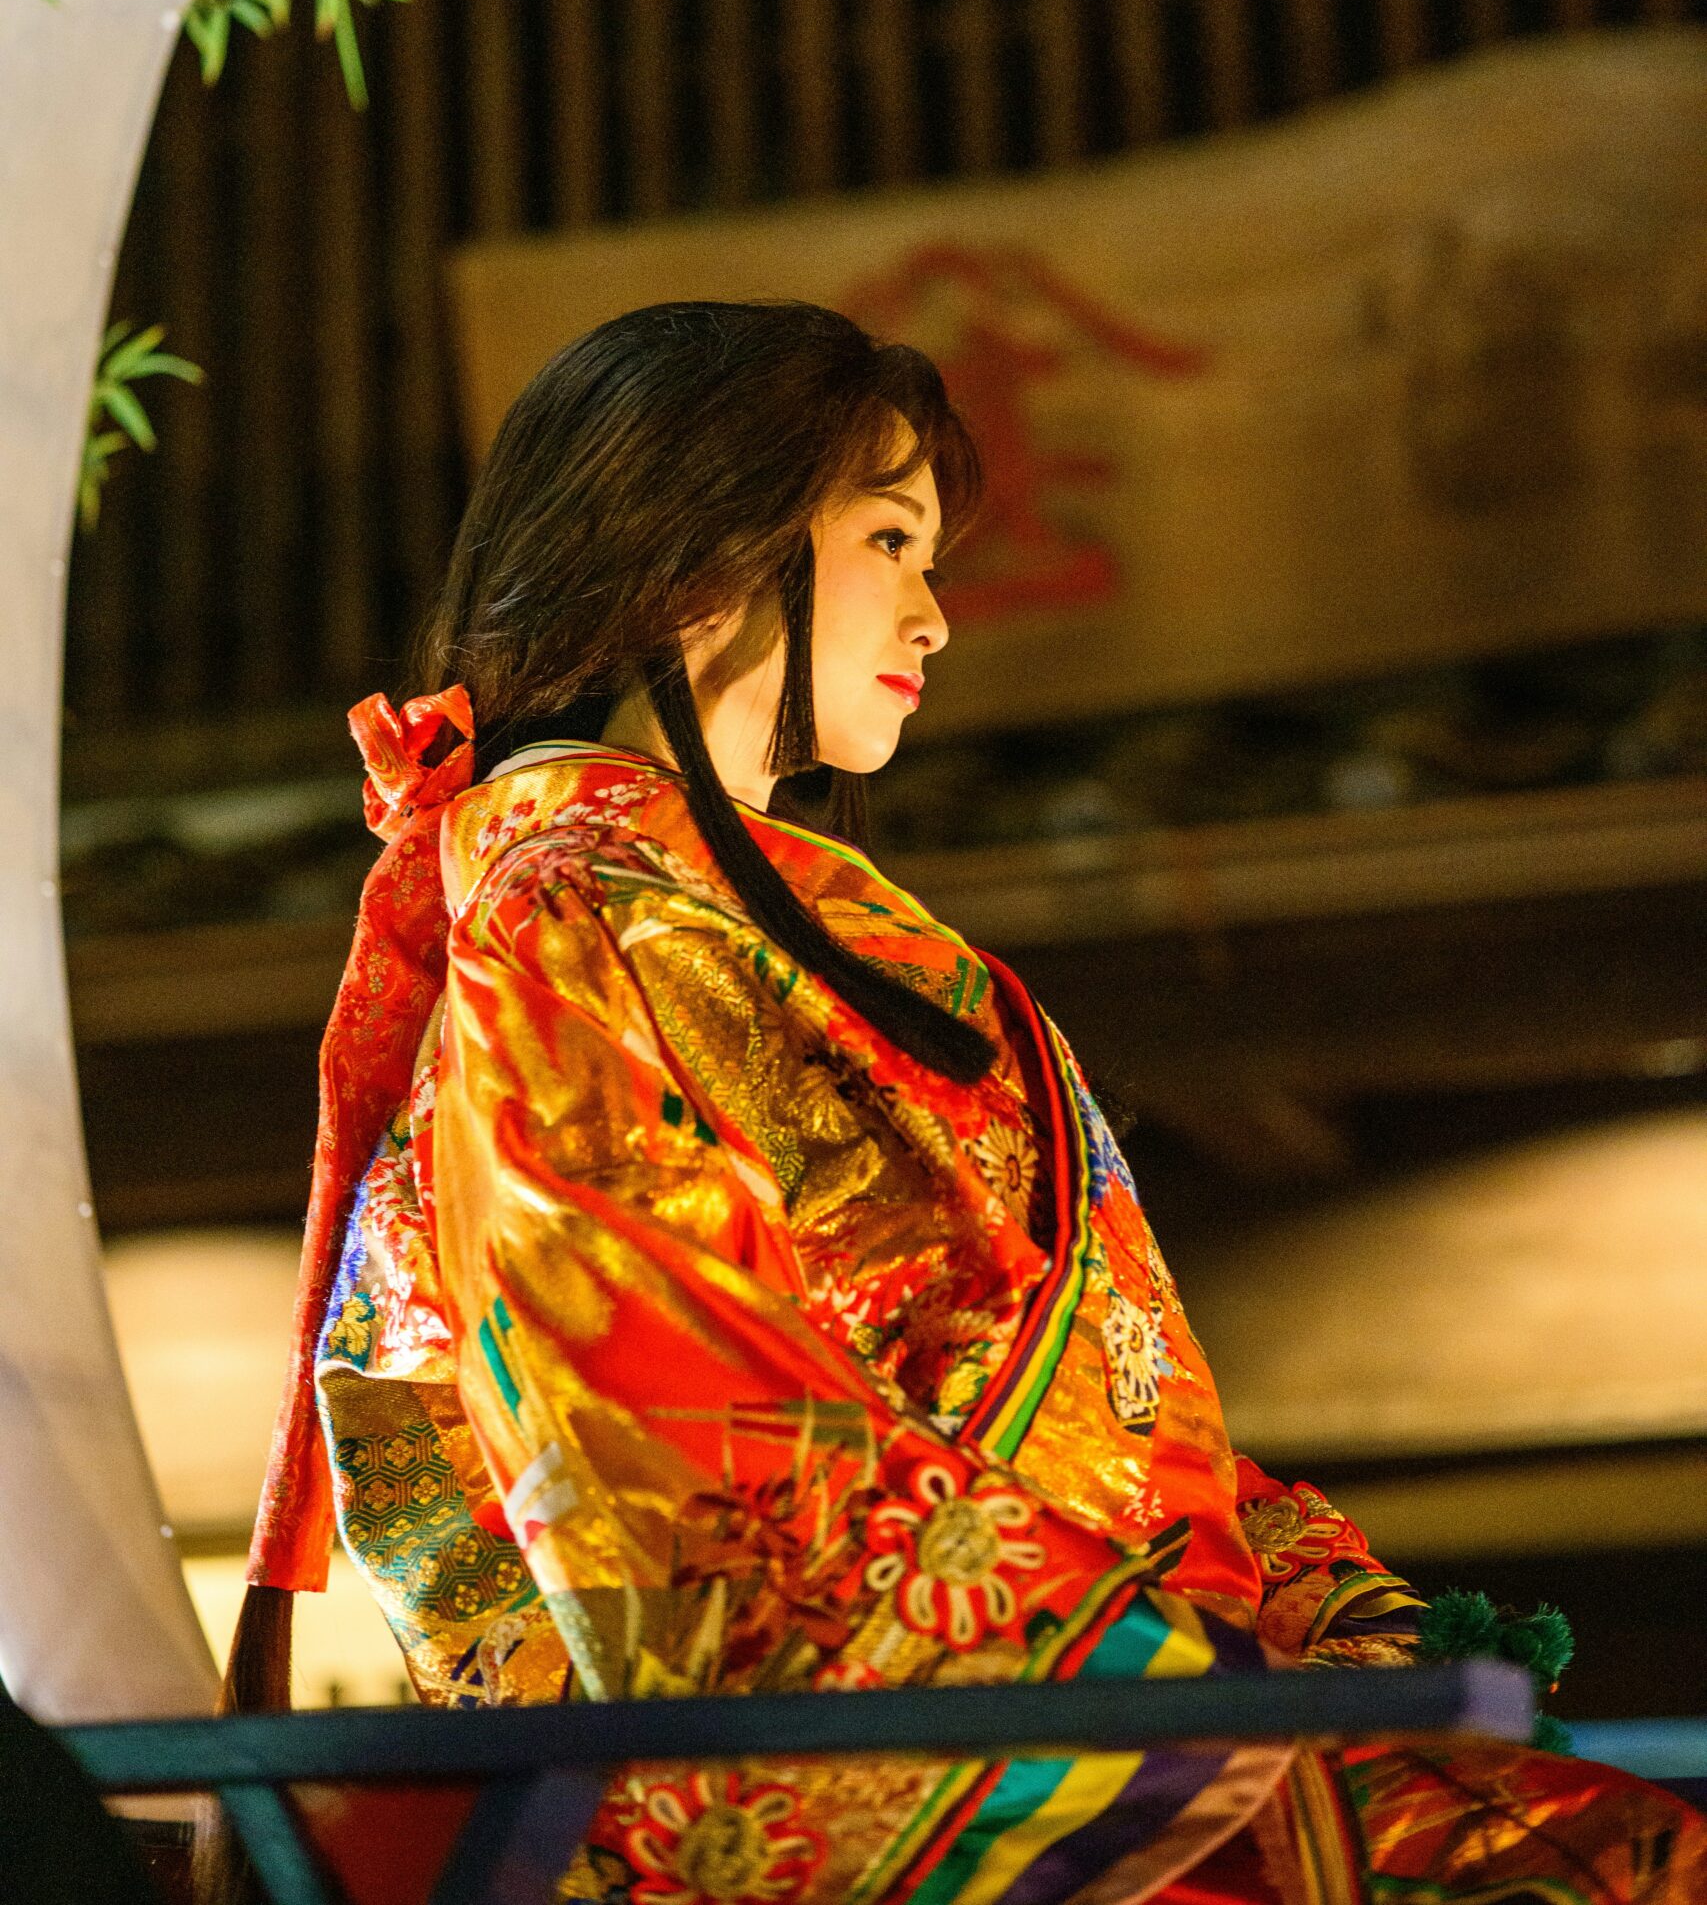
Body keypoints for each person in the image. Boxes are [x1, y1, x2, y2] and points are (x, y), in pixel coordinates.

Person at [238, 302, 1702, 1903]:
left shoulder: (721, 913)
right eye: (890, 541)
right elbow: (658, 1411)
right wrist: (1147, 1686)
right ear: (691, 554)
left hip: (1114, 1675)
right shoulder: (570, 919)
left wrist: (1302, 1603)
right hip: (984, 1734)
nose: (935, 619)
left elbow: (1082, 1395)